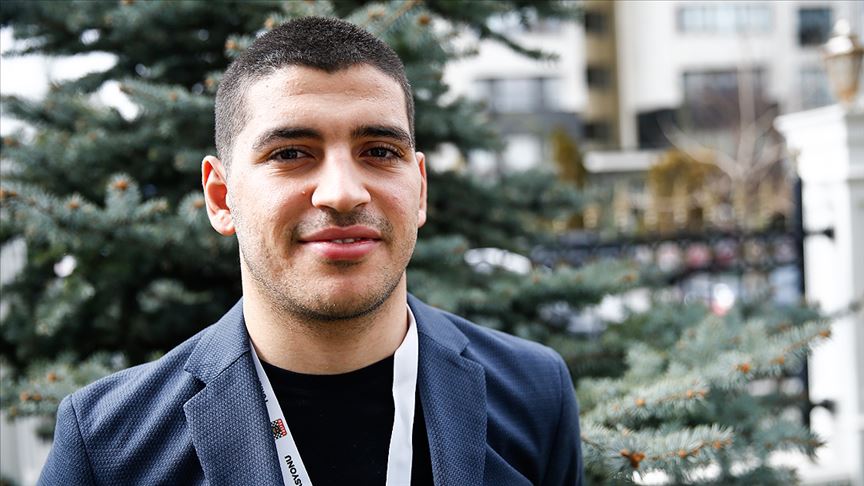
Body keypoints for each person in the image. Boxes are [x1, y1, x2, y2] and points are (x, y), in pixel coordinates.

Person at [39, 16, 583, 486]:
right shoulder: (110, 444)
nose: (342, 193)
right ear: (221, 198)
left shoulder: (534, 394)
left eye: (379, 151)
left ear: (419, 189)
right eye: (291, 153)